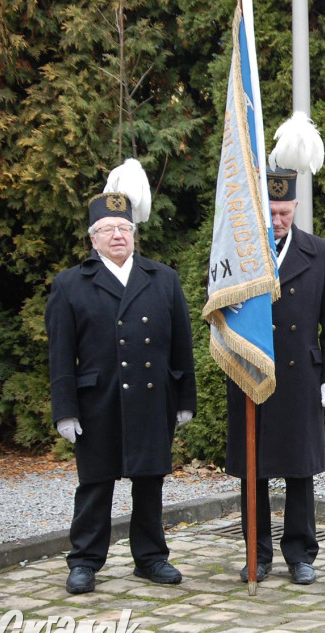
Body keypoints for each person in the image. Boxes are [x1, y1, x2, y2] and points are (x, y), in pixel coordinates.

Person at [46, 159, 196, 594]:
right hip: (98, 403)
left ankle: (150, 558)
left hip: (152, 400)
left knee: (149, 483)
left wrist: (185, 398)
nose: (117, 235)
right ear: (93, 238)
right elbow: (61, 356)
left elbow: (180, 345)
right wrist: (65, 411)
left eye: (124, 228)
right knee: (95, 484)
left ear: (134, 233)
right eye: (108, 229)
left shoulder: (163, 279)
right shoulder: (70, 284)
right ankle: (85, 560)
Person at [225, 147, 325, 586]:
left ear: (295, 206)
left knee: (299, 468)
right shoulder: (239, 256)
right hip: (251, 371)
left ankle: (300, 553)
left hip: (300, 376)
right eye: (271, 211)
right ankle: (256, 553)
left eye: (284, 211)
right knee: (252, 468)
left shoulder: (320, 252)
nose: (278, 220)